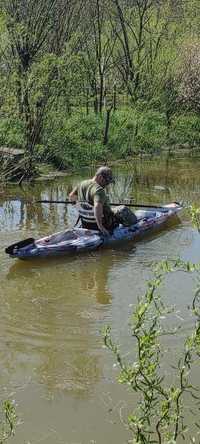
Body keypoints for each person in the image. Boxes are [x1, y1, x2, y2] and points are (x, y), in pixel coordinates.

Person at [69, 166, 137, 236]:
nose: (107, 184)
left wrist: (82, 209)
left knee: (114, 209)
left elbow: (71, 196)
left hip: (86, 223)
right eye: (107, 181)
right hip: (105, 224)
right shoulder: (99, 190)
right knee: (123, 209)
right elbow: (97, 206)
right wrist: (101, 227)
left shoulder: (82, 183)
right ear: (100, 177)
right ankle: (136, 226)